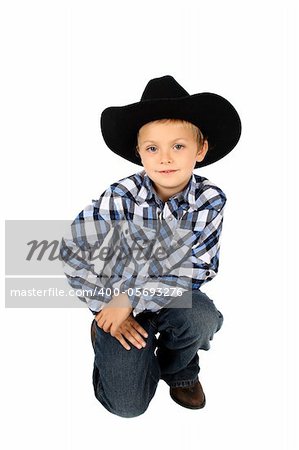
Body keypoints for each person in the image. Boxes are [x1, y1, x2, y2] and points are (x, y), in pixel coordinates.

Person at [59, 75, 242, 418]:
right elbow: (73, 251)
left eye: (178, 146)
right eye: (153, 148)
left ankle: (179, 369)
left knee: (200, 316)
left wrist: (130, 298)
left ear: (200, 150)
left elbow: (195, 269)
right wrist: (106, 306)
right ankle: (113, 346)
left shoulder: (208, 200)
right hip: (116, 302)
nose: (165, 158)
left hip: (171, 298)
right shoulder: (120, 196)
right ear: (139, 152)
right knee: (128, 406)